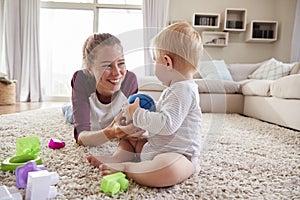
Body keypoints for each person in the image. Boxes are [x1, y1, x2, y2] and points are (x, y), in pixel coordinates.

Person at [87, 22, 203, 187]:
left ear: (167, 63)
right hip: (156, 148)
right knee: (130, 138)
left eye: (155, 61)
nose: (154, 64)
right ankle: (117, 158)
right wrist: (145, 109)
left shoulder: (183, 91)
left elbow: (167, 125)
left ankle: (126, 166)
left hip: (179, 156)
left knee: (168, 169)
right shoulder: (175, 89)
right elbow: (165, 112)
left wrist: (138, 114)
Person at [71, 33, 140, 146]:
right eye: (107, 65)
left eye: (121, 63)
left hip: (107, 119)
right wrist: (111, 133)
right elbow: (81, 137)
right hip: (90, 113)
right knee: (70, 114)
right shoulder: (81, 79)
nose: (117, 73)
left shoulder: (130, 80)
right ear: (89, 67)